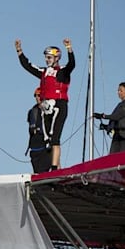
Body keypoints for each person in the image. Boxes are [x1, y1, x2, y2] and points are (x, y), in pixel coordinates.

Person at [16, 39, 75, 170]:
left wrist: (69, 48)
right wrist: (19, 51)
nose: (47, 60)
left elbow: (72, 64)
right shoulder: (44, 72)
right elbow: (28, 66)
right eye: (46, 57)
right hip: (46, 107)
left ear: (57, 58)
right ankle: (57, 167)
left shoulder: (63, 70)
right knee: (47, 139)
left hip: (59, 105)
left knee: (55, 138)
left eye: (49, 57)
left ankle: (55, 168)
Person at [95, 82, 125, 154]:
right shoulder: (120, 104)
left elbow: (118, 116)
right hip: (117, 134)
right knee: (112, 157)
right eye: (118, 90)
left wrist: (104, 116)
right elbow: (116, 121)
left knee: (122, 157)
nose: (118, 92)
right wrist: (107, 127)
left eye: (121, 90)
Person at [27, 89, 54, 174]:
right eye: (36, 95)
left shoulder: (49, 110)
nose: (38, 97)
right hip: (34, 148)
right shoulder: (32, 111)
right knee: (37, 173)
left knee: (45, 172)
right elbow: (30, 127)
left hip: (46, 147)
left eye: (39, 95)